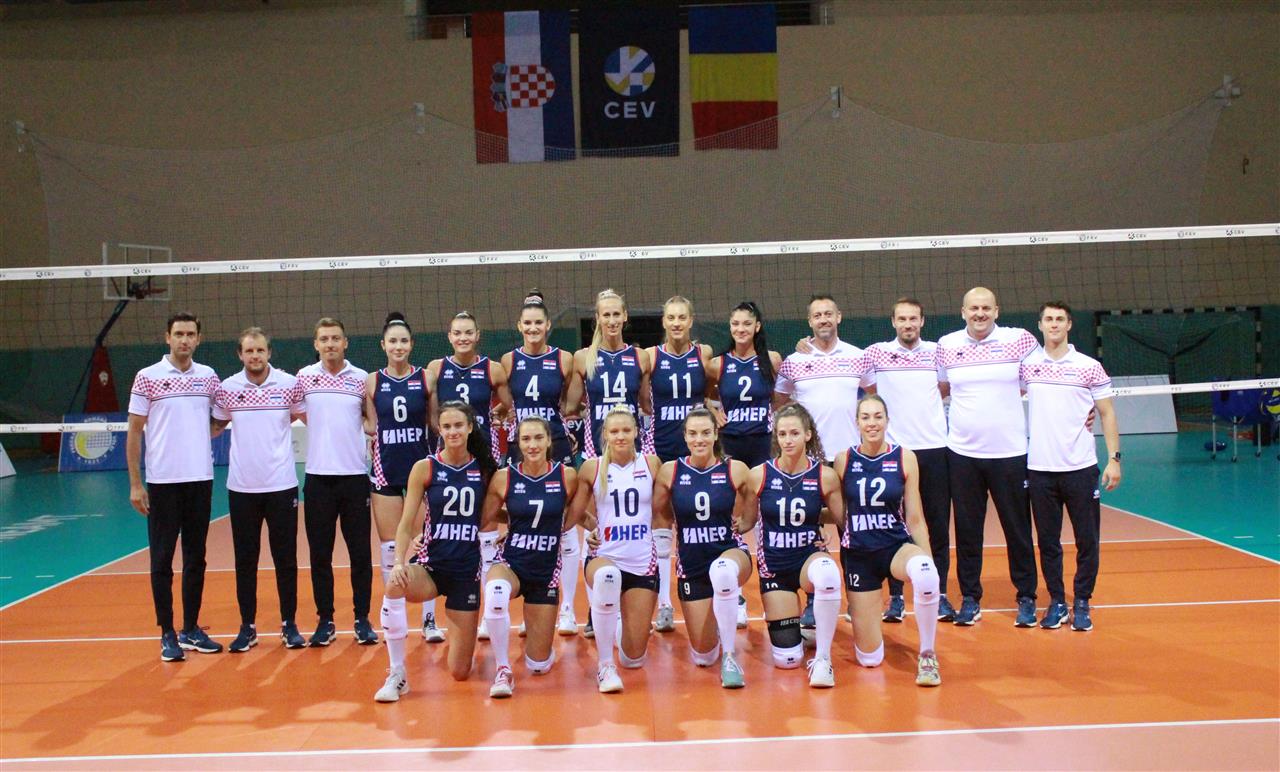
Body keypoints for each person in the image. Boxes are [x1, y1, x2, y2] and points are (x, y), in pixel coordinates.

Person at [374, 402, 496, 702]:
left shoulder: (484, 469)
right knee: (395, 584)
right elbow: (405, 524)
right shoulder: (425, 467)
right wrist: (399, 562)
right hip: (431, 566)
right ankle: (397, 672)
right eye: (447, 426)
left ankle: (461, 639)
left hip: (466, 571)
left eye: (459, 425)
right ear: (439, 430)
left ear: (470, 427)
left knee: (459, 672)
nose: (453, 431)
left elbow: (495, 512)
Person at [937, 287, 1040, 627]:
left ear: (997, 310)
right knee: (967, 531)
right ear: (962, 312)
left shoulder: (1019, 340)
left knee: (1018, 529)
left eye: (985, 308)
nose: (979, 313)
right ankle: (970, 598)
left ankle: (1026, 597)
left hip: (1010, 453)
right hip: (962, 454)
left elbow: (1041, 377)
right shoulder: (947, 345)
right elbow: (940, 389)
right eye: (973, 308)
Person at [127, 311, 223, 661]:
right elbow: (134, 430)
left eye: (190, 334)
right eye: (178, 334)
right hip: (163, 482)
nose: (184, 339)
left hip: (200, 481)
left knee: (196, 557)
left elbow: (220, 419)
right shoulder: (148, 377)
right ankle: (167, 632)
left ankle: (191, 629)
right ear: (167, 337)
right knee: (162, 559)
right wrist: (136, 484)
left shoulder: (208, 377)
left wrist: (197, 438)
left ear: (199, 339)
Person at [1023, 301, 1121, 632]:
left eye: (1060, 319)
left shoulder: (1089, 366)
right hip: (1039, 469)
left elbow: (1106, 412)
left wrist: (1114, 459)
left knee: (1087, 540)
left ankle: (1081, 601)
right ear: (1040, 325)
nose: (1054, 324)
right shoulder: (1027, 366)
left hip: (1081, 468)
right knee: (1047, 542)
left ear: (1069, 325)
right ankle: (1057, 602)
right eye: (1048, 319)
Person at [834, 395, 942, 687]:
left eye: (878, 416)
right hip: (859, 555)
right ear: (857, 422)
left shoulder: (905, 457)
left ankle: (927, 654)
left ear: (887, 420)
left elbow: (915, 518)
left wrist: (929, 562)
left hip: (895, 547)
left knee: (925, 573)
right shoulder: (844, 460)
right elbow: (838, 511)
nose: (872, 423)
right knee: (870, 659)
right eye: (865, 417)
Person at [778, 295, 868, 635]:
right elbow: (780, 401)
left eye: (828, 313)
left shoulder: (858, 356)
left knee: (852, 531)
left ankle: (858, 597)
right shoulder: (794, 360)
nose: (823, 319)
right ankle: (813, 601)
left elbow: (873, 396)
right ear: (809, 321)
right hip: (810, 461)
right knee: (808, 531)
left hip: (848, 459)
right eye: (817, 315)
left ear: (839, 316)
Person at [212, 327, 307, 652]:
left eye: (260, 350)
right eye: (249, 351)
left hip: (281, 485)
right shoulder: (228, 388)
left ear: (269, 353)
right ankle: (247, 627)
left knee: (286, 560)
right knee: (245, 561)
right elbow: (215, 426)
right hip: (242, 488)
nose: (255, 356)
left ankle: (289, 625)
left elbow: (309, 417)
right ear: (240, 354)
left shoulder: (288, 384)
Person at [861, 298, 956, 622]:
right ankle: (897, 597)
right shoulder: (876, 353)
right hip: (895, 452)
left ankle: (939, 594)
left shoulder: (938, 352)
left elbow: (945, 387)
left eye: (913, 318)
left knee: (937, 525)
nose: (908, 324)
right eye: (902, 319)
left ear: (922, 321)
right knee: (894, 526)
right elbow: (865, 386)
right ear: (893, 322)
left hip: (934, 449)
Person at [740, 403, 845, 688]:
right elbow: (746, 521)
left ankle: (823, 659)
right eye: (782, 434)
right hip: (774, 568)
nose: (788, 440)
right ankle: (801, 632)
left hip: (808, 557)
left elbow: (843, 519)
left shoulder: (824, 476)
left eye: (795, 433)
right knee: (787, 660)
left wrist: (821, 523)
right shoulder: (759, 475)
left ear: (808, 435)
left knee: (828, 573)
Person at [651, 408, 753, 688]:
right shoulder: (670, 471)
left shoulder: (735, 469)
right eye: (693, 433)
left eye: (706, 433)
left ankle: (730, 657)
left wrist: (744, 523)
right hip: (692, 563)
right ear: (684, 436)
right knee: (703, 656)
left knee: (722, 571)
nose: (699, 439)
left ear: (716, 434)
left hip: (729, 552)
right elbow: (656, 513)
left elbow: (755, 505)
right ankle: (719, 616)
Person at [500, 290, 581, 637]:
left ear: (548, 325)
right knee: (521, 522)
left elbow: (570, 404)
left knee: (563, 525)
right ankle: (527, 603)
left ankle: (567, 608)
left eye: (538, 323)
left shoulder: (564, 359)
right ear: (519, 326)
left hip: (555, 442)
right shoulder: (508, 360)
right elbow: (505, 404)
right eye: (527, 323)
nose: (533, 328)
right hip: (521, 445)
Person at [479, 416, 579, 698]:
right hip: (512, 562)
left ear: (548, 441)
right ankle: (503, 669)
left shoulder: (566, 476)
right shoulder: (505, 477)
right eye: (525, 439)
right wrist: (514, 521)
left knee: (539, 665)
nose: (532, 445)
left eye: (538, 438)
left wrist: (597, 528)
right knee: (496, 591)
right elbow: (484, 518)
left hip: (545, 571)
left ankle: (537, 648)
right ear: (517, 443)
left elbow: (576, 512)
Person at [428, 311, 512, 640]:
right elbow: (432, 414)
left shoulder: (493, 369)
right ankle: (429, 619)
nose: (463, 338)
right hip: (448, 458)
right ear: (449, 336)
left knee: (485, 527)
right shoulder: (437, 368)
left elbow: (510, 405)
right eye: (457, 333)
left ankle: (489, 611)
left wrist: (493, 415)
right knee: (439, 531)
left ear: (478, 335)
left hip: (483, 457)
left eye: (468, 332)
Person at [296, 317, 377, 646]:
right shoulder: (304, 377)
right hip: (318, 479)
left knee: (360, 554)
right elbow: (299, 413)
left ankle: (362, 619)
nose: (330, 344)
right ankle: (326, 620)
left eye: (335, 338)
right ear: (316, 344)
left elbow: (371, 422)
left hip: (354, 478)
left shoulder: (361, 378)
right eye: (324, 339)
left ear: (346, 343)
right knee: (320, 555)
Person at [569, 406, 661, 694]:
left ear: (636, 432)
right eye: (614, 431)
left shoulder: (651, 464)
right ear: (605, 435)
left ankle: (620, 623)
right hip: (605, 555)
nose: (620, 436)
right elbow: (574, 513)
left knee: (633, 659)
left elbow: (665, 508)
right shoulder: (593, 467)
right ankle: (605, 665)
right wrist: (593, 526)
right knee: (607, 577)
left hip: (642, 561)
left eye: (626, 430)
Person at [364, 313, 439, 642]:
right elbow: (370, 425)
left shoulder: (426, 379)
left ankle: (429, 620)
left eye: (404, 341)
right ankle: (394, 617)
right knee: (391, 548)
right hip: (386, 472)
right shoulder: (371, 381)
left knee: (424, 546)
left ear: (412, 344)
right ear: (383, 345)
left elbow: (435, 424)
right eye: (392, 341)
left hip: (420, 472)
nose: (398, 346)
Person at [643, 295, 715, 634]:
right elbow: (643, 398)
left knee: (704, 523)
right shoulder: (651, 356)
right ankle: (665, 604)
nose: (676, 323)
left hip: (697, 451)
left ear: (691, 320)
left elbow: (713, 390)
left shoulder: (704, 354)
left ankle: (722, 595)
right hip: (661, 448)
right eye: (670, 317)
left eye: (681, 317)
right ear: (663, 321)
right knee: (660, 522)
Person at [709, 300, 782, 629]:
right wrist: (711, 408)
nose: (740, 329)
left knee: (767, 517)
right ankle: (735, 594)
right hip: (731, 445)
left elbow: (781, 397)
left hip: (762, 445)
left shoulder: (772, 360)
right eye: (735, 324)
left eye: (746, 324)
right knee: (732, 518)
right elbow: (699, 395)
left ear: (757, 327)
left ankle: (772, 585)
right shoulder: (717, 364)